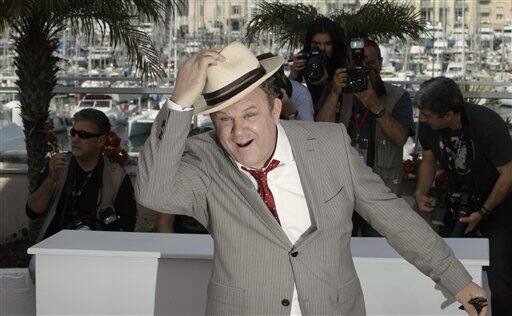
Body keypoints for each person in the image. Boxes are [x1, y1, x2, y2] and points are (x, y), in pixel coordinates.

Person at [136, 42, 487, 315]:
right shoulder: (206, 157)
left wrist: (459, 282)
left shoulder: (330, 143)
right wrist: (179, 102)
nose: (238, 131)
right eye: (224, 120)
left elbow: (392, 216)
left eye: (250, 113)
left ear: (275, 109)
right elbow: (153, 191)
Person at [414, 77, 512, 316]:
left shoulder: (486, 124)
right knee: (452, 270)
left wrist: (484, 212)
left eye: (426, 114)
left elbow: (508, 174)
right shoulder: (428, 126)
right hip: (459, 206)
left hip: (498, 209)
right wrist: (420, 193)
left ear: (448, 115)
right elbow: (428, 159)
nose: (422, 119)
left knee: (502, 282)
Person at [316, 39, 414, 237]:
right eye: (357, 64)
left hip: (381, 189)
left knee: (380, 253)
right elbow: (320, 131)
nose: (365, 69)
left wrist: (375, 105)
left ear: (380, 63)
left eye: (370, 63)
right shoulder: (337, 92)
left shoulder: (397, 96)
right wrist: (335, 92)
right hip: (341, 189)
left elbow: (400, 138)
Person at [26, 108, 137, 240]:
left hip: (97, 249)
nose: (75, 139)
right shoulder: (58, 166)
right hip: (54, 245)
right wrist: (50, 179)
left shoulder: (116, 175)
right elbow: (32, 211)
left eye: (83, 135)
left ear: (100, 141)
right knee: (35, 262)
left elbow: (127, 225)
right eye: (73, 133)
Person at [289, 17, 347, 108]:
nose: (322, 49)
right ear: (309, 44)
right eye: (316, 44)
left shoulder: (342, 58)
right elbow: (291, 94)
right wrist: (294, 74)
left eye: (328, 44)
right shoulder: (305, 58)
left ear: (334, 45)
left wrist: (329, 84)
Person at [257, 53, 314, 121]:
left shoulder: (300, 93)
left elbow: (307, 128)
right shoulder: (252, 94)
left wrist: (291, 113)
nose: (269, 87)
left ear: (283, 77)